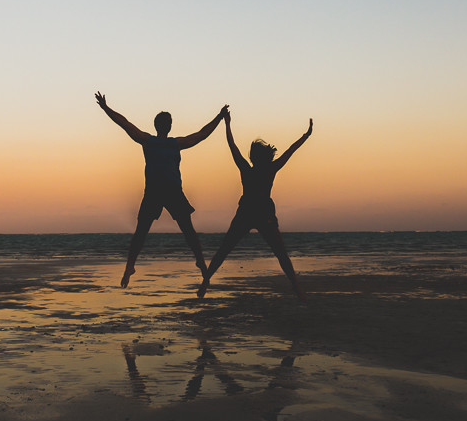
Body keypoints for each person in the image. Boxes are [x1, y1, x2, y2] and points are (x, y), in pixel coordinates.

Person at [95, 91, 228, 288]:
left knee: (188, 230)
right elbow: (125, 124)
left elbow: (201, 135)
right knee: (142, 231)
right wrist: (106, 108)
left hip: (173, 191)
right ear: (160, 125)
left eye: (169, 121)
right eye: (167, 121)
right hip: (155, 192)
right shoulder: (149, 141)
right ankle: (130, 266)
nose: (169, 124)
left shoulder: (174, 143)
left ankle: (200, 261)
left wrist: (218, 117)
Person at [198, 111, 312, 300]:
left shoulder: (252, 168)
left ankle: (205, 282)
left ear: (253, 157)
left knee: (227, 250)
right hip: (254, 212)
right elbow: (290, 150)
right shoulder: (268, 168)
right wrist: (305, 136)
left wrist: (227, 124)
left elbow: (232, 146)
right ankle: (296, 287)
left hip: (253, 212)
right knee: (279, 253)